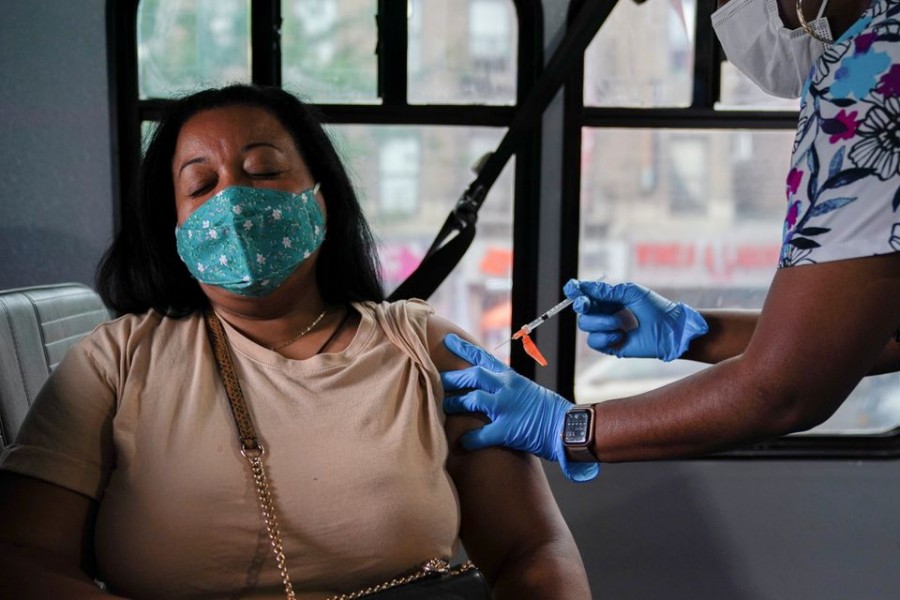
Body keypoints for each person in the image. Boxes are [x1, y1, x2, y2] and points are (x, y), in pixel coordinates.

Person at [0, 84, 592, 598]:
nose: (232, 202)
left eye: (262, 172)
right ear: (174, 227)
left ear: (321, 199)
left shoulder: (428, 350)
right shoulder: (116, 362)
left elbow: (533, 551)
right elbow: (22, 560)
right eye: (201, 184)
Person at [440, 0, 900, 471]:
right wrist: (689, 333)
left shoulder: (867, 82)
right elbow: (869, 338)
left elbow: (784, 391)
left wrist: (561, 426)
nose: (722, 14)